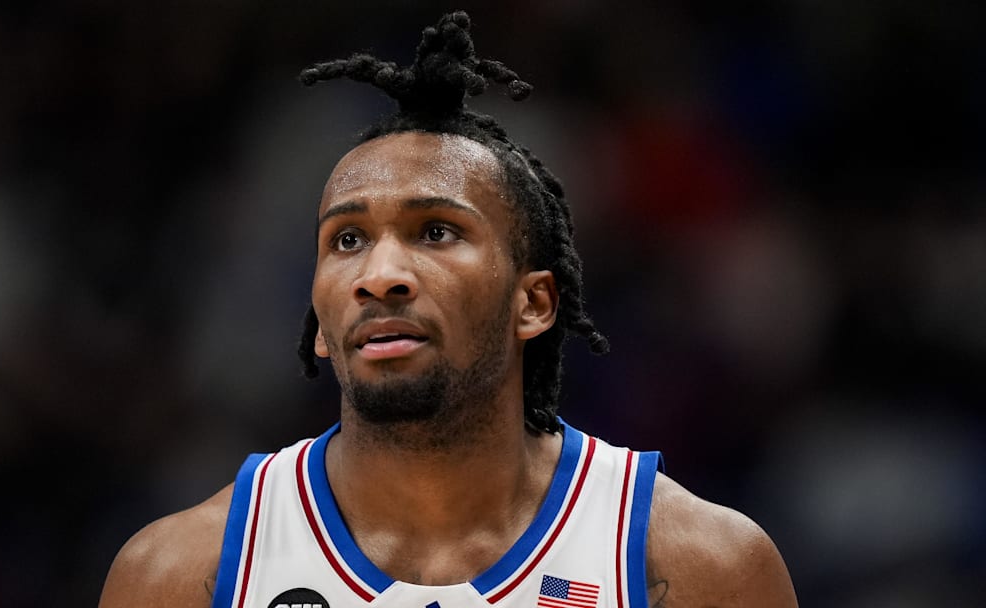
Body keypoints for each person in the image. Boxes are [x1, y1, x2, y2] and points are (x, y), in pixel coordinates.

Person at [99, 11, 798, 608]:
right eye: (347, 240)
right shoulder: (178, 575)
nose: (379, 277)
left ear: (534, 303)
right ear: (319, 328)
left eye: (436, 231)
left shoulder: (700, 567)